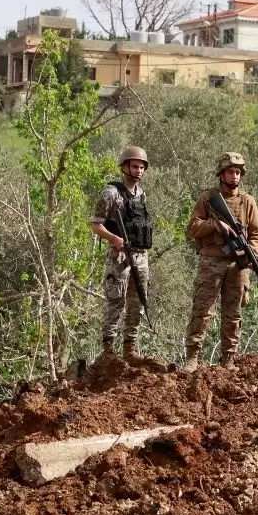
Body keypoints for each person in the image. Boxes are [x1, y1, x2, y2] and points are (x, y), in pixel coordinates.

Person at [180, 152, 258, 372]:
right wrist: (215, 225)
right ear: (221, 174)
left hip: (238, 265)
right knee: (203, 310)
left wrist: (252, 252)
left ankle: (228, 358)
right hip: (211, 262)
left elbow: (257, 233)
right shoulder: (208, 199)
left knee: (233, 313)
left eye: (238, 172)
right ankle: (192, 357)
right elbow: (192, 228)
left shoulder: (247, 202)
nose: (234, 176)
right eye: (230, 172)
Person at [89, 146, 154, 358]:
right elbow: (96, 225)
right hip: (119, 256)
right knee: (115, 300)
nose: (139, 171)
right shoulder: (111, 193)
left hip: (140, 256)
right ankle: (108, 350)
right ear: (125, 166)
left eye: (142, 167)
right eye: (135, 166)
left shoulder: (141, 194)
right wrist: (114, 239)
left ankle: (130, 348)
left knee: (138, 303)